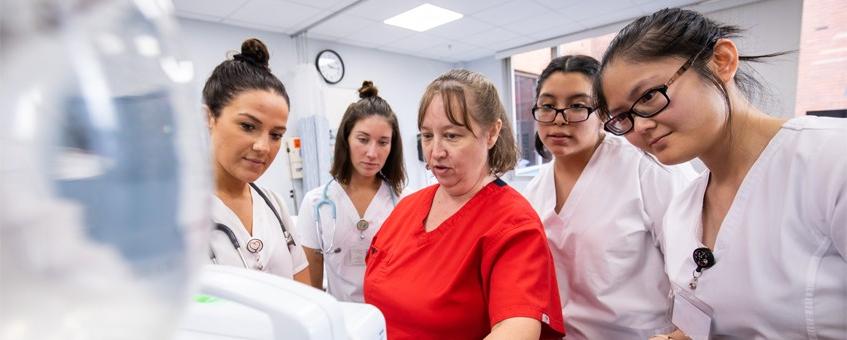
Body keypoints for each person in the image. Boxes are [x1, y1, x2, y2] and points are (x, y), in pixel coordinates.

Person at [594, 8, 846, 339]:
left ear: (722, 61)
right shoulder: (684, 209)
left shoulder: (831, 159)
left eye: (649, 96)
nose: (640, 126)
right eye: (622, 118)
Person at [364, 69, 566, 340]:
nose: (436, 152)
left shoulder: (513, 224)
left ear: (492, 133)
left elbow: (518, 328)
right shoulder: (407, 207)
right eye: (427, 136)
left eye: (452, 136)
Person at [521, 55, 695, 339]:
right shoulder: (532, 192)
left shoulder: (648, 168)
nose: (559, 120)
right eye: (548, 106)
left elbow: (698, 270)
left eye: (577, 106)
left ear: (603, 112)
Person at [205, 38, 309, 284]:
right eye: (248, 126)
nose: (263, 147)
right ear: (209, 118)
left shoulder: (274, 205)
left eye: (276, 135)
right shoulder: (170, 213)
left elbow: (308, 296)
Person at [295, 81, 406, 302]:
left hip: (393, 322)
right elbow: (312, 288)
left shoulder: (406, 200)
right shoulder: (316, 203)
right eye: (363, 139)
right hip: (343, 322)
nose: (372, 153)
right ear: (346, 139)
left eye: (383, 142)